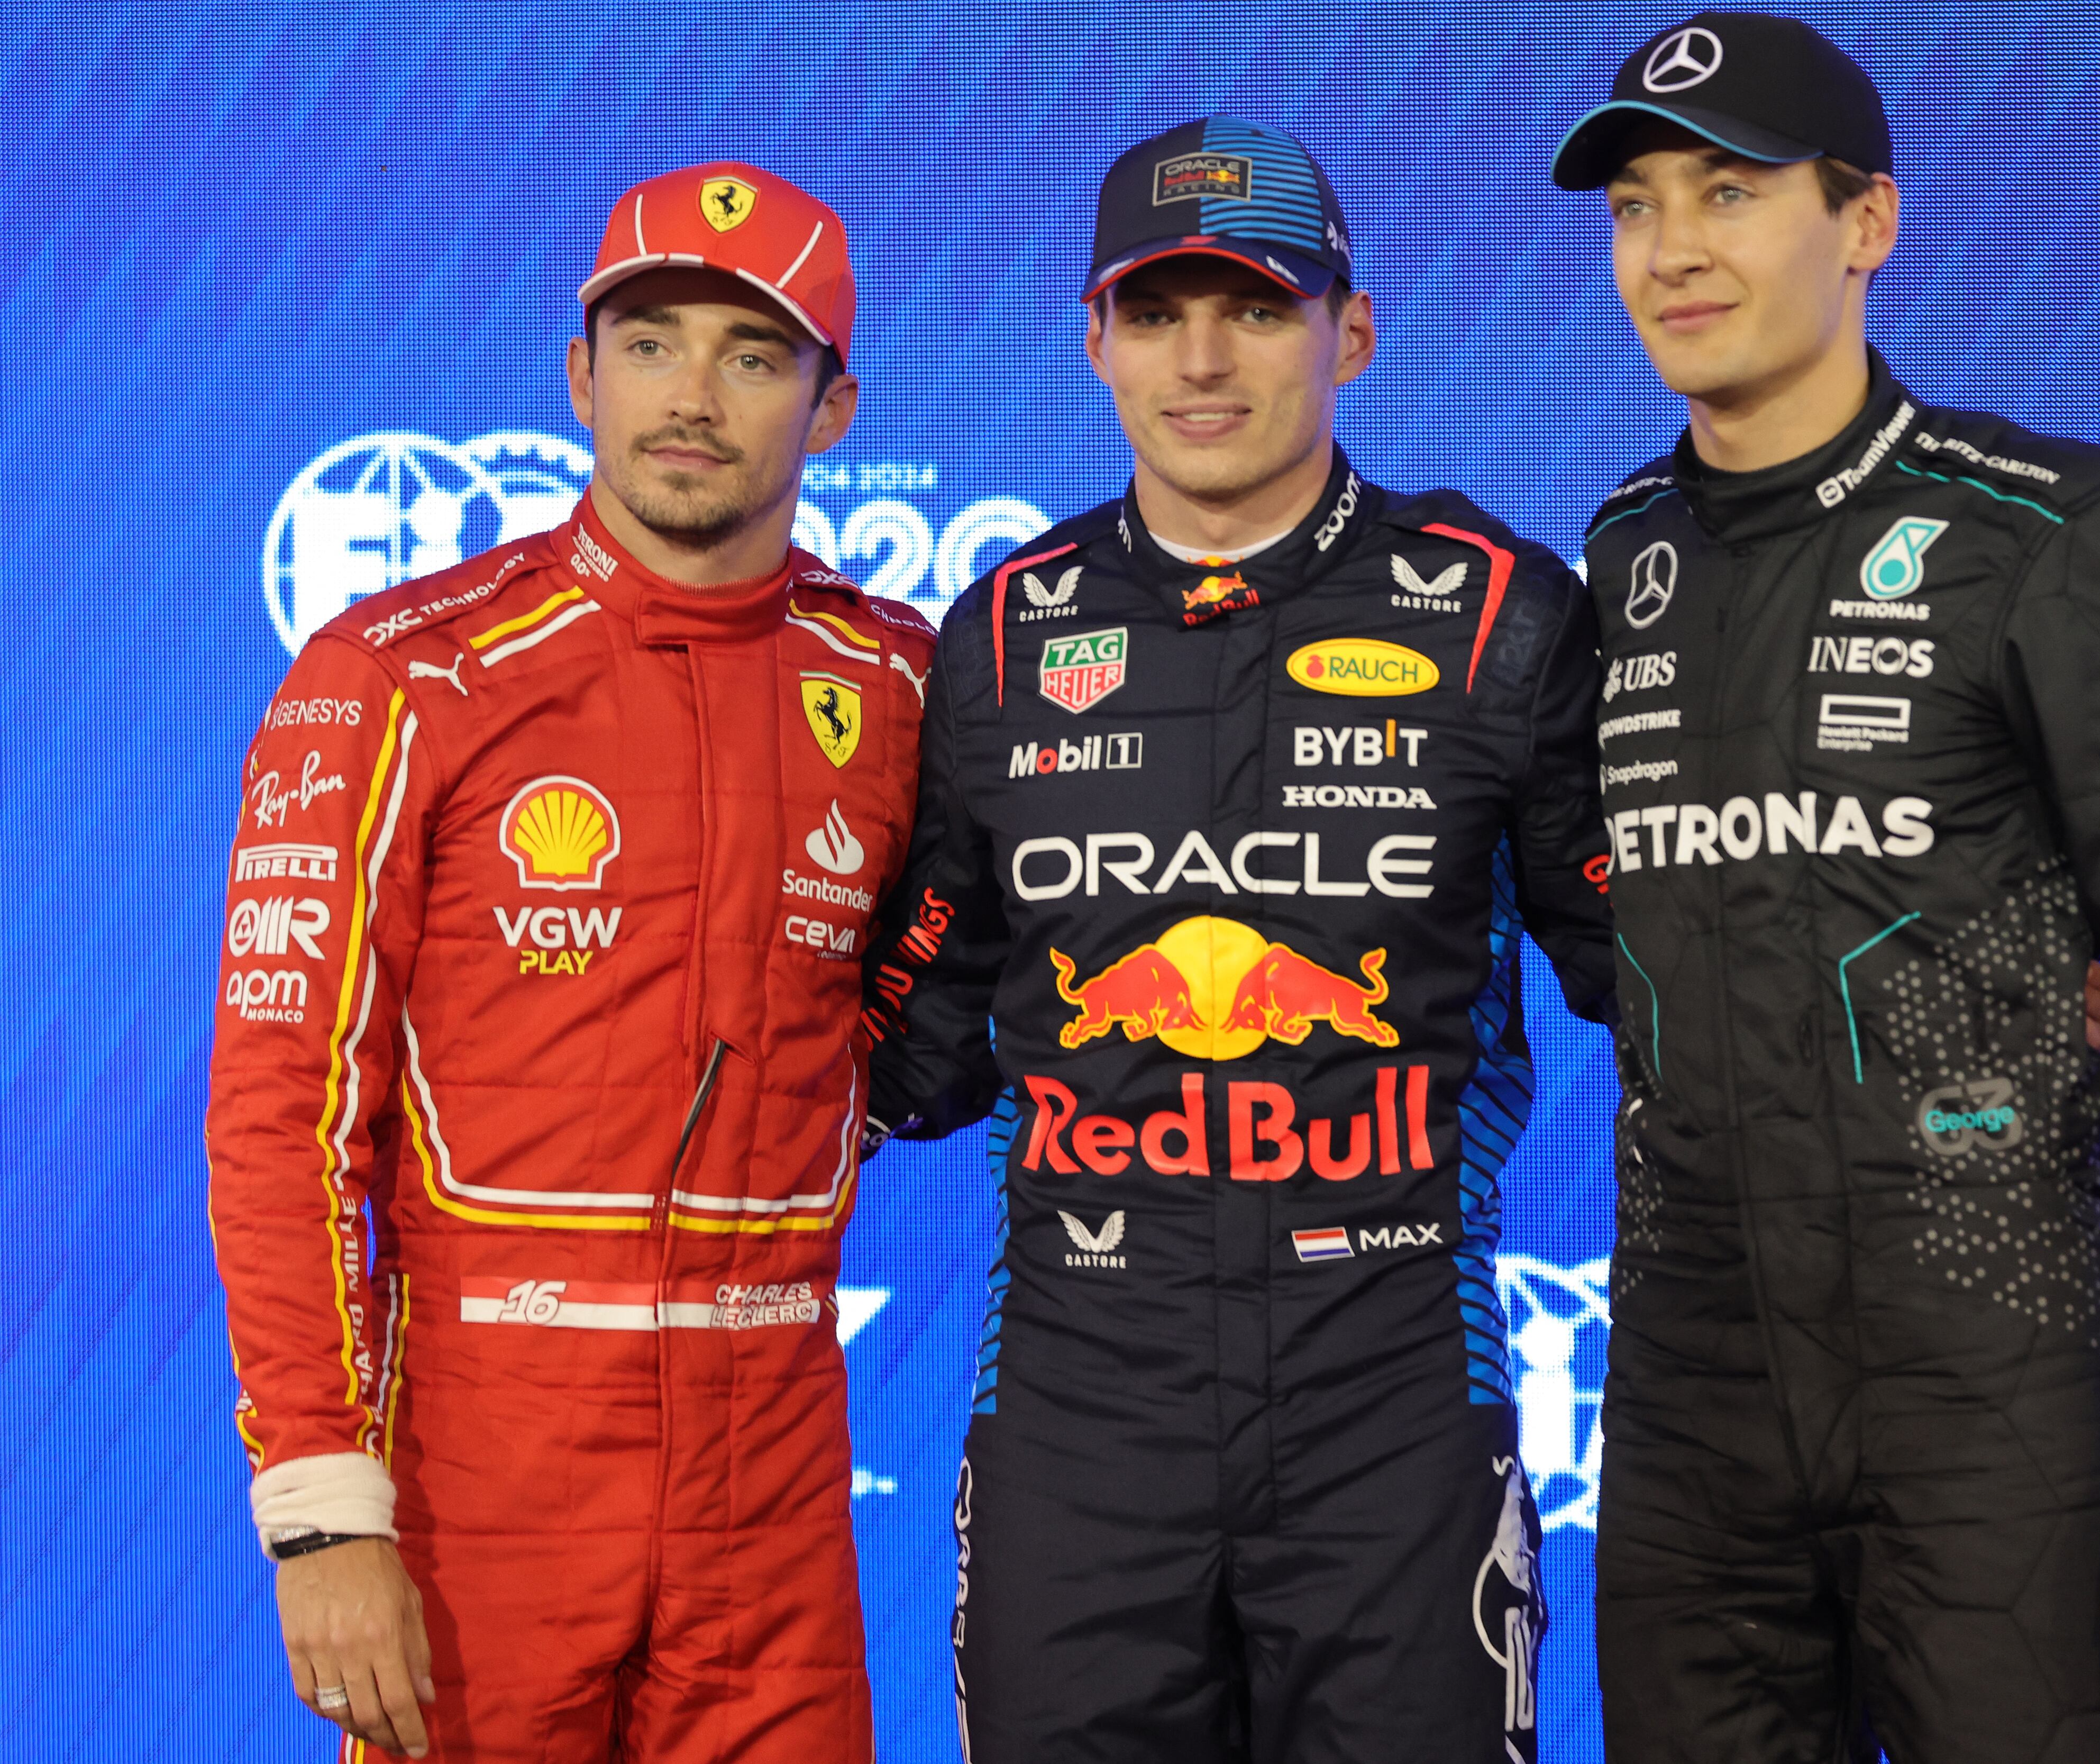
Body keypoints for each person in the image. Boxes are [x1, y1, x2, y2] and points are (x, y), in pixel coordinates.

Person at [1551, 15, 2100, 1762]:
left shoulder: (2049, 529)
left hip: (1994, 1391)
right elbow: (1637, 920)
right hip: (1689, 1416)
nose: (1672, 250)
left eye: (1729, 194)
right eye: (1635, 207)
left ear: (1867, 223)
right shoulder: (1624, 556)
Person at [858, 117, 1613, 1762]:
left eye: (1259, 310)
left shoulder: (1497, 610)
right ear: (1097, 342)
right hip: (1077, 1411)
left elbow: (1667, 956)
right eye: (1157, 313)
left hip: (1395, 1399)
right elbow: (913, 1045)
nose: (1202, 362)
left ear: (1353, 331)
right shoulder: (1005, 634)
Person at [206, 161, 932, 1762]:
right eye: (651, 343)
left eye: (753, 355)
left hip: (775, 1472)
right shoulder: (400, 674)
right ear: (581, 378)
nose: (693, 397)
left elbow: (942, 989)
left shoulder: (901, 687)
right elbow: (283, 1112)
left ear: (833, 409)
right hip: (488, 1465)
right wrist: (323, 1511)